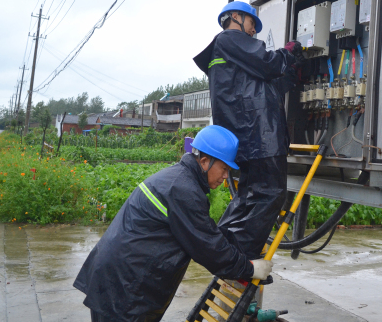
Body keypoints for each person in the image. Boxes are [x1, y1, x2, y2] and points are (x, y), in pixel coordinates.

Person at [73, 125, 273, 322]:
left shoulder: (178, 178)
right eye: (224, 168)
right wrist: (249, 269)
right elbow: (208, 247)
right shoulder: (185, 191)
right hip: (126, 287)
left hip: (118, 278)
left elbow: (204, 233)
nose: (225, 176)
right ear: (205, 162)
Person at [194, 1, 304, 260]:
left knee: (247, 198)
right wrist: (288, 52)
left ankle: (223, 248)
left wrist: (292, 73)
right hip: (260, 137)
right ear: (235, 17)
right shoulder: (230, 39)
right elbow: (269, 63)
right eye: (253, 23)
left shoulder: (229, 54)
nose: (254, 31)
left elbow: (266, 86)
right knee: (270, 195)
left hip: (249, 139)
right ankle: (239, 260)